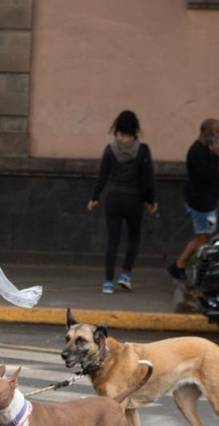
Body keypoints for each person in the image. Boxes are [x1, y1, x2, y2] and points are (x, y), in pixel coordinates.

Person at [88, 110, 157, 294]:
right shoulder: (142, 150)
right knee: (133, 238)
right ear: (135, 128)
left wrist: (94, 197)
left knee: (113, 241)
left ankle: (108, 283)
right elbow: (147, 178)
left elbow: (102, 176)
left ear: (117, 126)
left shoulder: (110, 149)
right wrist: (151, 201)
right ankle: (125, 275)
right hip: (134, 199)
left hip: (113, 198)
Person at [168, 119, 219, 281]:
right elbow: (204, 176)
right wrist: (216, 156)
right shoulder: (196, 151)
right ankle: (181, 265)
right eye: (217, 133)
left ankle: (183, 266)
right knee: (202, 237)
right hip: (200, 202)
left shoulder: (206, 150)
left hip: (209, 202)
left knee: (206, 237)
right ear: (208, 134)